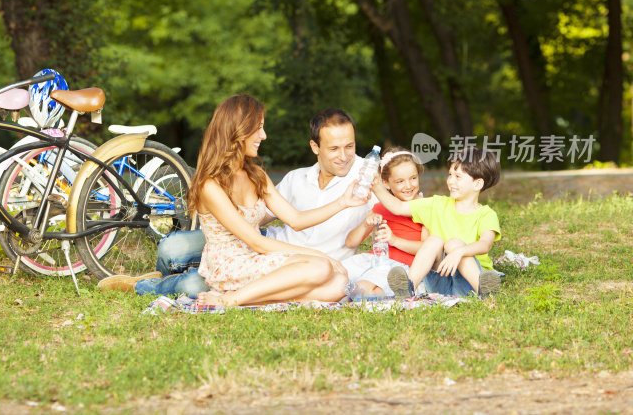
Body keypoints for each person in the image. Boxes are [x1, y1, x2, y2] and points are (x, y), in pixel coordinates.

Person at [97, 107, 376, 297]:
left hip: (271, 252)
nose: (343, 155)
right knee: (172, 248)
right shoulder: (295, 177)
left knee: (196, 285)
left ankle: (154, 285)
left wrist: (345, 203)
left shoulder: (367, 178)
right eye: (334, 148)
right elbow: (263, 225)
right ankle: (165, 275)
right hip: (256, 247)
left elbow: (403, 198)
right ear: (315, 148)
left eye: (349, 146)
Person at [190, 94, 366, 306]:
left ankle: (251, 297)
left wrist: (342, 203)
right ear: (237, 130)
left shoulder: (257, 175)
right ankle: (229, 300)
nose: (263, 136)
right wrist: (322, 256)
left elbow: (296, 220)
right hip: (229, 266)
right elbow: (257, 242)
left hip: (254, 259)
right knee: (321, 267)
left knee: (339, 285)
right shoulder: (210, 185)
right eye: (258, 128)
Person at [372, 147, 503, 298]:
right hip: (441, 283)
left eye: (457, 177)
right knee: (434, 240)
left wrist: (458, 252)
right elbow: (398, 207)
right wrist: (376, 187)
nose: (450, 181)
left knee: (454, 244)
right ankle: (408, 288)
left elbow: (485, 244)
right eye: (450, 175)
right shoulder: (436, 205)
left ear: (477, 184)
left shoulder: (486, 214)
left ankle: (486, 292)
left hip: (470, 284)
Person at [340, 147, 428, 297]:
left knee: (362, 289)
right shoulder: (380, 207)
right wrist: (366, 225)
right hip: (373, 259)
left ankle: (392, 292)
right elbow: (350, 242)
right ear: (386, 183)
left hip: (400, 266)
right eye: (400, 181)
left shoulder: (425, 207)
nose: (408, 186)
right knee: (334, 274)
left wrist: (394, 240)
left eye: (413, 178)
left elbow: (427, 249)